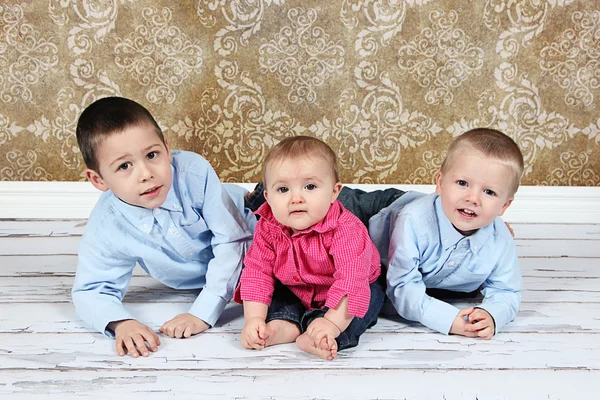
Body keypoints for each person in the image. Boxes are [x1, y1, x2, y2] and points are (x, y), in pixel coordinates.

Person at [72, 96, 256, 358]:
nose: (146, 173)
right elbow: (90, 290)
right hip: (225, 270)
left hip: (257, 222)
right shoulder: (107, 226)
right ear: (98, 179)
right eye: (125, 166)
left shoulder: (194, 172)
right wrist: (120, 323)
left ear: (167, 149)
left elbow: (233, 239)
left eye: (152, 154)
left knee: (319, 224)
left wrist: (202, 312)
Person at [235, 136, 385, 360]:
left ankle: (323, 338)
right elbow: (258, 272)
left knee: (361, 307)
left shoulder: (346, 229)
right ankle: (281, 326)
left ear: (334, 192)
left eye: (310, 186)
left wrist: (331, 324)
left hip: (353, 284)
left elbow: (351, 281)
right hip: (297, 287)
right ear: (267, 197)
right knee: (278, 295)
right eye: (283, 189)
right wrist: (254, 319)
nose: (296, 198)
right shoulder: (268, 227)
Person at [370, 128, 524, 339]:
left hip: (432, 262)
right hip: (379, 213)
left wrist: (493, 314)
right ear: (440, 183)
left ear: (504, 206)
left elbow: (507, 291)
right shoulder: (413, 221)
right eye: (462, 183)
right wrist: (449, 320)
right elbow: (402, 286)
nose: (473, 198)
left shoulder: (501, 242)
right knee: (325, 206)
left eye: (489, 192)